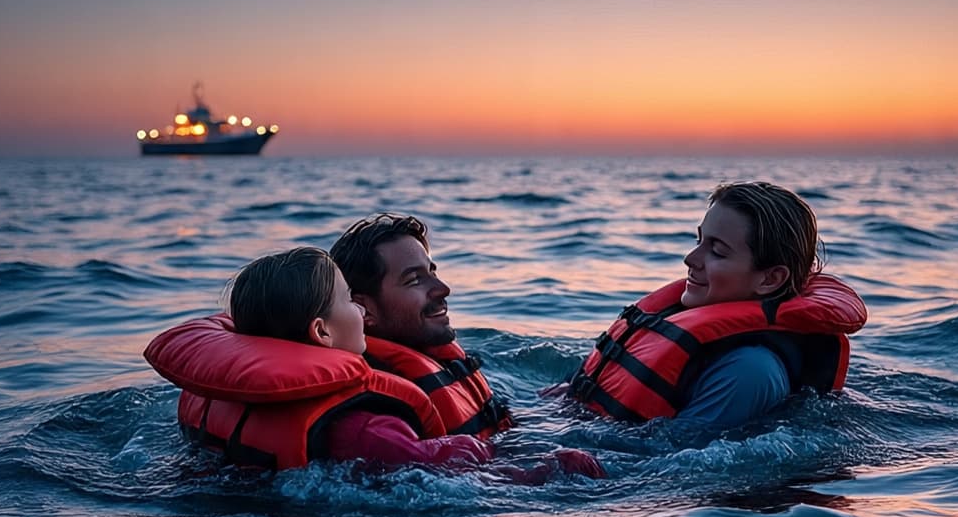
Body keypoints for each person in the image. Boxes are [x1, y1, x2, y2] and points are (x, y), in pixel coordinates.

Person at [145, 247, 492, 470]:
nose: (360, 310)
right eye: (348, 300)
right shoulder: (372, 430)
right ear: (322, 332)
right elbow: (470, 473)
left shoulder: (219, 396)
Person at [568, 181, 867, 428]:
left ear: (770, 279)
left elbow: (670, 467)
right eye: (699, 241)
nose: (690, 259)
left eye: (718, 252)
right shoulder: (689, 322)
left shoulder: (749, 372)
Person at [329, 213, 511, 438]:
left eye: (432, 271)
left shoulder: (434, 359)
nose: (443, 288)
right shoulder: (378, 410)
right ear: (363, 309)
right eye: (414, 279)